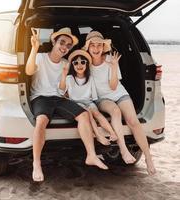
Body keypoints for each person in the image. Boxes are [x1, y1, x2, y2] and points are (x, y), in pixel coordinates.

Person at [26, 27, 108, 182]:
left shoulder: (66, 63)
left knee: (84, 115)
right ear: (53, 41)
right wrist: (34, 48)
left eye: (68, 45)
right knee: (41, 121)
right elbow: (29, 71)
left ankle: (91, 155)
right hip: (41, 97)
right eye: (61, 42)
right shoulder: (40, 57)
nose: (64, 47)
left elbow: (69, 85)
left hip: (59, 98)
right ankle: (36, 163)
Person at [82, 31, 156, 175]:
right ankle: (123, 149)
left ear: (104, 46)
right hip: (102, 98)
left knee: (133, 121)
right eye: (93, 45)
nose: (96, 48)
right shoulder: (85, 62)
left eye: (99, 45)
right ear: (88, 47)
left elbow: (114, 86)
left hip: (119, 93)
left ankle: (148, 158)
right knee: (115, 111)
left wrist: (114, 67)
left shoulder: (110, 59)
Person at [58, 49, 118, 146]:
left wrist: (93, 105)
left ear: (86, 65)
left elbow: (93, 96)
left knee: (96, 113)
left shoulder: (90, 79)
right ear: (72, 66)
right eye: (76, 63)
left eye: (82, 62)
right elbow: (61, 91)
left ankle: (112, 133)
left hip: (89, 102)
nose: (79, 65)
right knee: (89, 113)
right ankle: (98, 135)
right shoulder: (69, 79)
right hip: (76, 103)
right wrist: (64, 75)